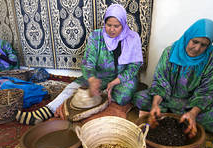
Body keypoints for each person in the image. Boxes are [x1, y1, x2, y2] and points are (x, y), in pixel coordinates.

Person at [16, 4, 144, 125]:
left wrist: (115, 82)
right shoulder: (96, 36)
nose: (111, 30)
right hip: (99, 76)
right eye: (108, 25)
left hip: (122, 79)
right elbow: (88, 63)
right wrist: (92, 79)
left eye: (116, 26)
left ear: (123, 24)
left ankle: (100, 101)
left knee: (123, 95)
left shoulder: (133, 38)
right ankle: (45, 111)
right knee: (73, 88)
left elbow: (134, 66)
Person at [132, 19, 213, 138]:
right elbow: (161, 81)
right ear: (188, 37)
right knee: (139, 97)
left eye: (203, 45)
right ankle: (172, 114)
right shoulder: (170, 52)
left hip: (192, 103)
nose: (197, 48)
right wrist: (155, 104)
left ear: (209, 45)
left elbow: (208, 90)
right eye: (195, 41)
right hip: (168, 99)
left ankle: (181, 116)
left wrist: (193, 113)